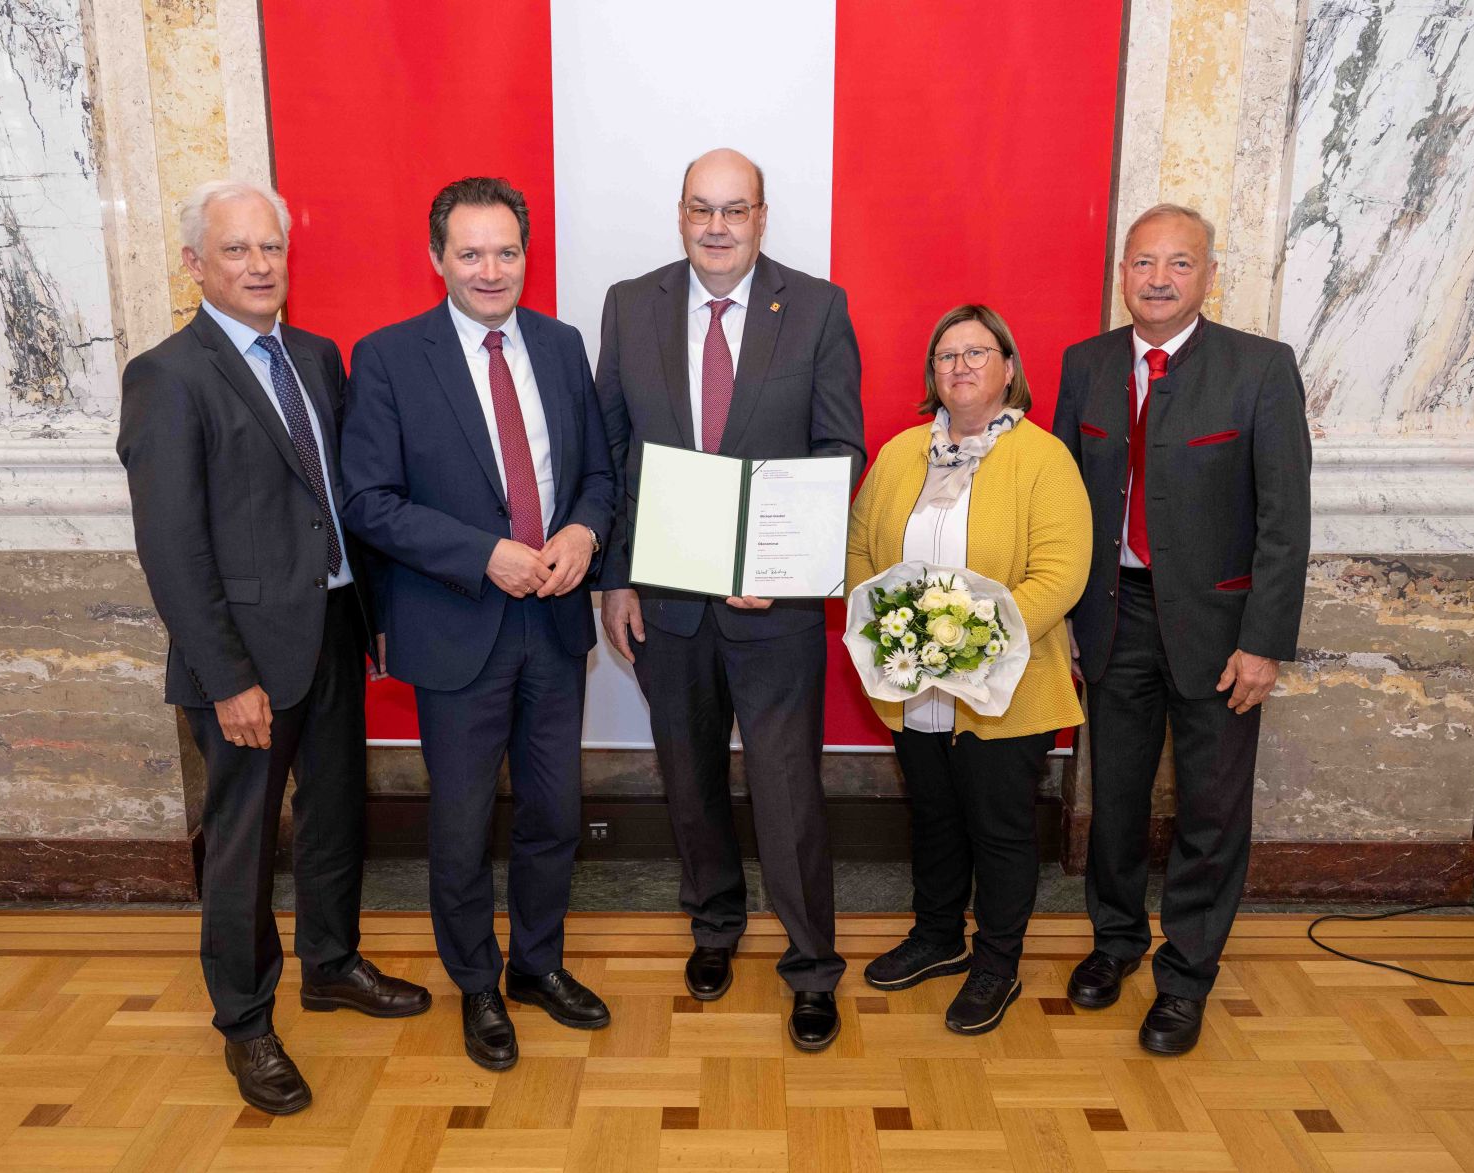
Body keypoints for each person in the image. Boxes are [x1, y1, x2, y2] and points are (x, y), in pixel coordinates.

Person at [117, 180, 430, 1115]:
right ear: (195, 266)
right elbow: (171, 548)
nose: (260, 266)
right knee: (245, 851)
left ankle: (330, 964)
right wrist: (228, 678)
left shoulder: (317, 356)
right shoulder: (167, 376)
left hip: (331, 631)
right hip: (246, 661)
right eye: (237, 251)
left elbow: (337, 502)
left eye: (271, 249)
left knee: (338, 815)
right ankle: (246, 1023)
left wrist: (370, 615)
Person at [340, 177, 617, 1072]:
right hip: (458, 625)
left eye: (506, 251)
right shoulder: (387, 357)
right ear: (437, 259)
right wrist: (482, 552)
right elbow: (368, 502)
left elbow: (599, 476)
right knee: (460, 825)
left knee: (555, 812)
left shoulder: (564, 346)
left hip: (554, 626)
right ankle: (478, 985)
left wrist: (583, 529)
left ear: (526, 257)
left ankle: (538, 964)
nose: (490, 269)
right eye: (470, 252)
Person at [594, 148, 863, 1051]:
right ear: (680, 214)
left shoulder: (818, 307)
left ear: (762, 216)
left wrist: (783, 567)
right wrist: (616, 575)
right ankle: (714, 923)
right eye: (702, 210)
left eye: (735, 210)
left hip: (773, 609)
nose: (717, 226)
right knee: (690, 778)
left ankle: (812, 965)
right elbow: (611, 452)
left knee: (788, 791)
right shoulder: (632, 305)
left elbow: (838, 450)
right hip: (665, 603)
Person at [1051, 203, 1310, 1055]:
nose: (1158, 279)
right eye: (1142, 263)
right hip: (1112, 620)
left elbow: (1284, 519)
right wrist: (1062, 622)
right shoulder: (1084, 365)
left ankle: (1187, 974)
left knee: (1210, 809)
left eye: (1178, 264)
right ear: (1121, 273)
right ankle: (1115, 941)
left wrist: (1265, 640)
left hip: (1221, 632)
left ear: (1207, 275)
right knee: (1114, 800)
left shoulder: (1260, 369)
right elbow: (1060, 508)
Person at [847, 305, 1090, 1034]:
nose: (959, 366)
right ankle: (937, 936)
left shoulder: (1043, 458)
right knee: (935, 815)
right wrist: (901, 641)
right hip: (913, 682)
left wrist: (965, 642)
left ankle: (997, 963)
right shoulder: (897, 455)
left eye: (977, 353)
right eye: (946, 355)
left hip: (1002, 682)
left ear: (1008, 369)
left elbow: (1061, 574)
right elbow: (861, 552)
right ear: (933, 374)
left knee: (1001, 827)